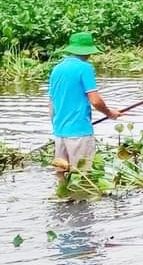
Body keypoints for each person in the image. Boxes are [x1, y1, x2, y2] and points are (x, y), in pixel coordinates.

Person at [48, 32, 121, 173]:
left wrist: (58, 128)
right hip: (79, 133)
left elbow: (51, 105)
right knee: (83, 176)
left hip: (59, 134)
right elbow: (95, 100)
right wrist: (110, 113)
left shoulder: (56, 69)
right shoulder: (85, 68)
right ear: (87, 51)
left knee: (61, 177)